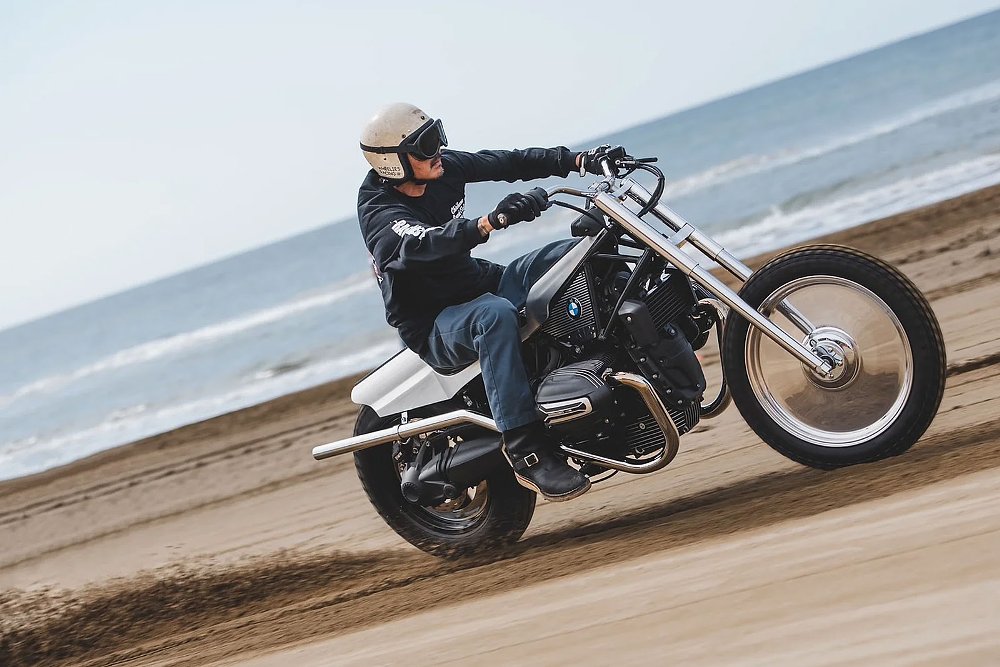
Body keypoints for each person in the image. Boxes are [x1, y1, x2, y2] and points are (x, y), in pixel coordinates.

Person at [357, 102, 616, 502]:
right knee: (494, 316)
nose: (438, 149)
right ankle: (526, 448)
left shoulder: (441, 167)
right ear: (393, 163)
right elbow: (421, 244)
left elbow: (505, 162)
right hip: (434, 323)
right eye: (426, 145)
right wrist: (488, 223)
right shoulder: (378, 210)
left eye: (437, 137)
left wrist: (578, 160)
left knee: (575, 256)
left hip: (477, 283)